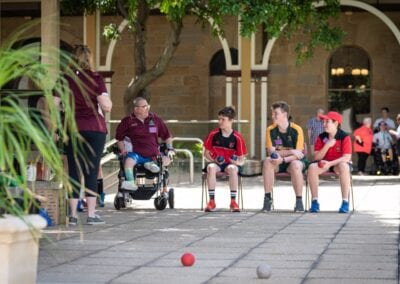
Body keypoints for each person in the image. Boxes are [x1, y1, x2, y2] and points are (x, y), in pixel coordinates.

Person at [65, 45, 112, 225]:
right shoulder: (96, 78)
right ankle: (91, 215)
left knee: (74, 172)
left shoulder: (65, 78)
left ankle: (73, 217)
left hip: (72, 129)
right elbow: (106, 106)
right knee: (91, 171)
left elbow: (53, 103)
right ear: (89, 59)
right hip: (95, 128)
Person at [115, 97, 174, 190]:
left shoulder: (155, 119)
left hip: (154, 155)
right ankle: (130, 182)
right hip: (136, 155)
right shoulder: (127, 121)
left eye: (147, 106)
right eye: (144, 106)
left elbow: (167, 136)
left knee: (167, 159)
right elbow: (119, 138)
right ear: (136, 109)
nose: (147, 108)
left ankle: (152, 164)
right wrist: (122, 149)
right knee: (128, 161)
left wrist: (170, 149)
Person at [262, 101, 306, 212]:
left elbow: (299, 154)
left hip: (293, 161)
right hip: (278, 160)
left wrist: (283, 158)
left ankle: (299, 201)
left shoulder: (297, 129)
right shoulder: (270, 129)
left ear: (284, 114)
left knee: (296, 165)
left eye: (275, 113)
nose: (272, 116)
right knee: (267, 161)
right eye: (272, 113)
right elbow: (271, 151)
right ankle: (267, 199)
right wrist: (291, 150)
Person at [203, 106, 247, 212]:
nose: (220, 122)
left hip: (230, 165)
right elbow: (206, 153)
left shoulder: (237, 137)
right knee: (211, 167)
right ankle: (212, 201)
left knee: (232, 168)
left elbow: (242, 160)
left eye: (223, 119)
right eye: (219, 119)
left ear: (231, 121)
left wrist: (236, 162)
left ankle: (233, 202)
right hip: (217, 164)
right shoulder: (213, 134)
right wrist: (214, 160)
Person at [307, 111, 352, 213]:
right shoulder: (321, 136)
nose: (324, 124)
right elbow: (316, 157)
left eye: (327, 122)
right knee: (312, 168)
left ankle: (345, 202)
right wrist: (327, 145)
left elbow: (346, 157)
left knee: (344, 166)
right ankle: (315, 201)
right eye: (323, 122)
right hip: (324, 163)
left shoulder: (344, 136)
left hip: (338, 164)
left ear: (336, 123)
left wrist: (330, 163)